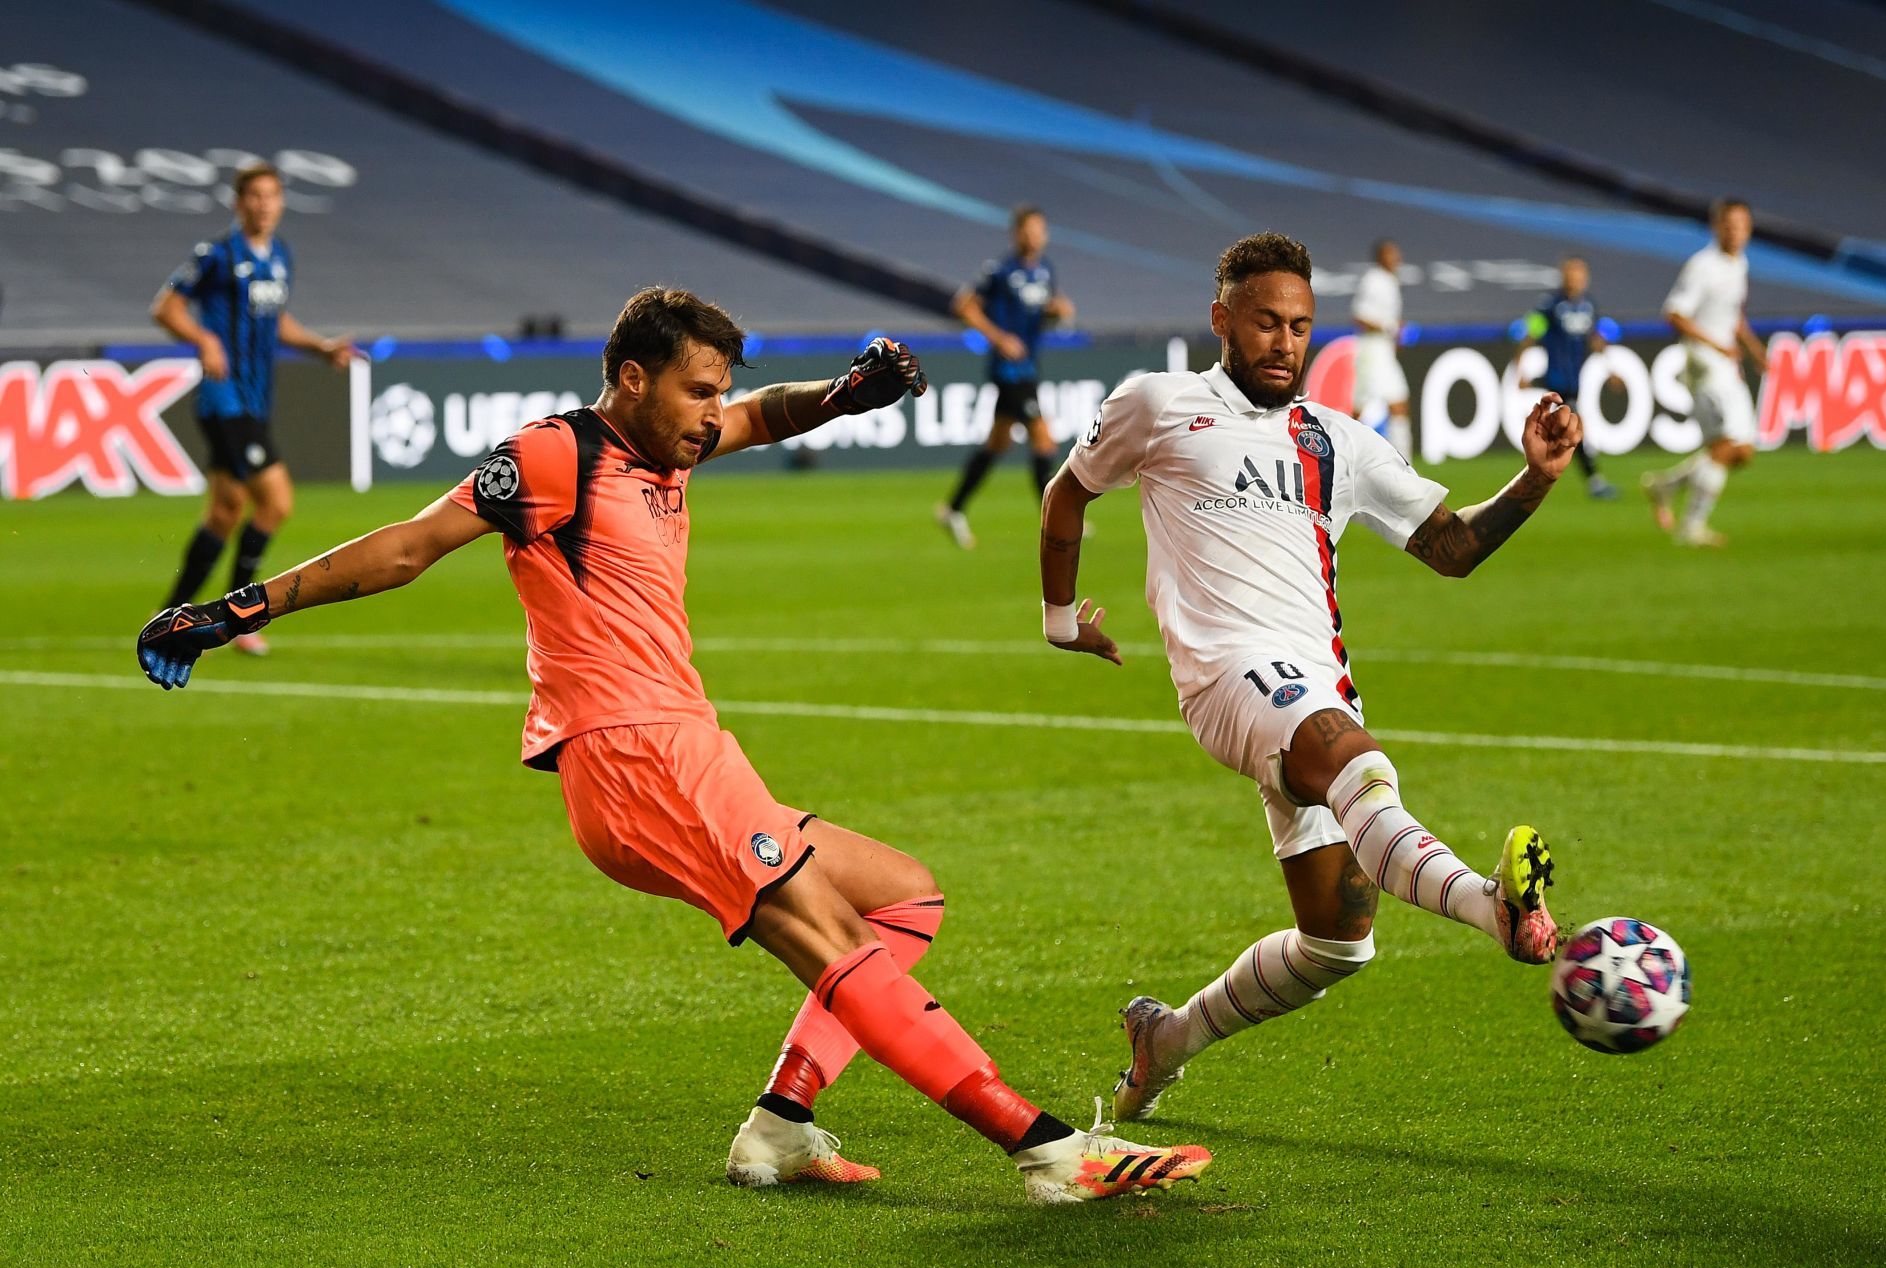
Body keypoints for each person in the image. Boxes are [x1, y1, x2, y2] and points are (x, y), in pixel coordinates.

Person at [136, 288, 1209, 1204]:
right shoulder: (553, 455)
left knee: (902, 896)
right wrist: (233, 610)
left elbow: (760, 416)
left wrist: (841, 396)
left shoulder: (673, 447)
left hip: (679, 744)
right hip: (633, 750)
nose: (711, 417)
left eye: (716, 394)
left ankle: (780, 1126)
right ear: (632, 377)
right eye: (696, 392)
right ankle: (1050, 1148)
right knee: (831, 936)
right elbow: (407, 548)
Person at [1038, 233, 1579, 1121]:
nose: (1283, 342)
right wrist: (1060, 622)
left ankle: (1164, 1040)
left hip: (1312, 681)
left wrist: (1534, 478)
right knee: (1356, 760)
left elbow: (1449, 548)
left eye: (1298, 326)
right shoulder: (1158, 403)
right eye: (1264, 323)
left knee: (1336, 941)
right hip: (1226, 676)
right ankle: (1496, 909)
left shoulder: (1338, 439)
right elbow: (1069, 491)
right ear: (1221, 320)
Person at [152, 162, 358, 654]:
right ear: (238, 202)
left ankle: (166, 620)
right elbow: (166, 307)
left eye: (272, 196)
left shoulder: (280, 256)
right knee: (276, 501)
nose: (263, 205)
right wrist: (204, 339)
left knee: (225, 512)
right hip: (226, 400)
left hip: (256, 399)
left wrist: (319, 347)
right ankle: (241, 621)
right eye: (255, 196)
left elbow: (276, 321)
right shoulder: (218, 255)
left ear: (281, 203)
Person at [936, 204, 1074, 549]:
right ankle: (1056, 522)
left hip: (1028, 366)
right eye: (1029, 230)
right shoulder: (1000, 270)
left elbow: (1038, 318)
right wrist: (999, 339)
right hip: (1008, 371)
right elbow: (964, 306)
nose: (1035, 236)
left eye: (1040, 230)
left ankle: (952, 509)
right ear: (1017, 234)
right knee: (1043, 440)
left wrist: (1056, 312)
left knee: (998, 443)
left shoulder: (1044, 271)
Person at [1642, 198, 1766, 547]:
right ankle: (1690, 527)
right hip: (1704, 364)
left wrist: (1755, 351)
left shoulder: (1739, 263)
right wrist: (1716, 345)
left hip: (1726, 364)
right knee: (1729, 445)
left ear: (1749, 229)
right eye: (1729, 224)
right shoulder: (1702, 266)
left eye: (1741, 225)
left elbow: (1734, 315)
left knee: (1741, 452)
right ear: (1716, 226)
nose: (1735, 231)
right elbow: (1675, 314)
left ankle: (1666, 486)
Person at [1513, 256, 1618, 499]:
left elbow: (1595, 338)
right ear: (1564, 276)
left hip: (1575, 380)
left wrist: (1610, 370)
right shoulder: (1550, 305)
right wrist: (1520, 368)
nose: (1577, 279)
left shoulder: (1587, 305)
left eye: (1580, 275)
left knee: (1561, 433)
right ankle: (1594, 481)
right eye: (1572, 274)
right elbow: (1530, 334)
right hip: (1556, 380)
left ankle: (1532, 479)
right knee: (1574, 430)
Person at [1349, 238, 1413, 462]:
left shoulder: (1389, 280)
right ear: (1380, 257)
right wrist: (1390, 327)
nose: (1397, 258)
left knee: (1396, 403)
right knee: (1365, 408)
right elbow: (1359, 316)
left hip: (1382, 350)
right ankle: (1342, 456)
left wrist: (1394, 337)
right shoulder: (1374, 280)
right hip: (1371, 351)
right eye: (1392, 253)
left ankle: (1404, 465)